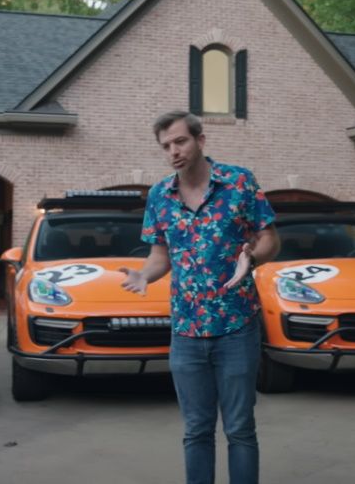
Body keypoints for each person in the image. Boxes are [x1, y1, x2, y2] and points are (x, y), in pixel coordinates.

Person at [120, 111, 279, 484]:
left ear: (200, 140)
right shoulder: (159, 195)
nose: (173, 151)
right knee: (196, 431)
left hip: (237, 325)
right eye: (166, 146)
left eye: (180, 141)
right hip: (187, 331)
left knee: (240, 428)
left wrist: (251, 257)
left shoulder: (239, 182)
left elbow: (270, 237)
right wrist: (144, 275)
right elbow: (161, 257)